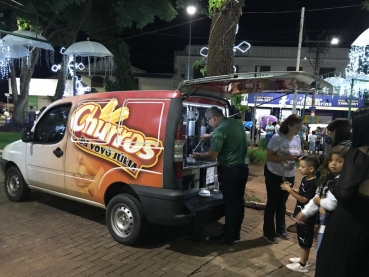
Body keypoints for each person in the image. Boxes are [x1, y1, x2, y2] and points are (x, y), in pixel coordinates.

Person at [315, 108, 369, 277]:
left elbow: (344, 191)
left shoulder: (358, 154)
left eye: (354, 127)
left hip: (350, 220)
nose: (351, 131)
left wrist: (333, 188)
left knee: (336, 265)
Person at [192, 107, 249, 245]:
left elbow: (212, 156)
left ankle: (228, 237)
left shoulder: (219, 130)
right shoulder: (236, 124)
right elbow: (228, 134)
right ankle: (235, 233)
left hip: (230, 171)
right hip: (243, 169)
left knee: (230, 205)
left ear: (214, 118)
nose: (208, 124)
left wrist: (196, 155)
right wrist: (209, 135)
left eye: (208, 121)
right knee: (239, 203)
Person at [295, 147, 348, 260]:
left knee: (324, 254)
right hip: (324, 221)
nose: (334, 164)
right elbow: (317, 196)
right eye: (332, 160)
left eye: (339, 161)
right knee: (321, 251)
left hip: (332, 224)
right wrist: (305, 212)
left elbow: (331, 204)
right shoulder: (327, 177)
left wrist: (319, 201)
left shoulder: (341, 182)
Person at [263, 114, 303, 243]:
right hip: (274, 173)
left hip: (289, 174)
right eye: (296, 127)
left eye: (300, 127)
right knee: (272, 202)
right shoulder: (277, 138)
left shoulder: (297, 138)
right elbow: (270, 157)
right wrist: (288, 157)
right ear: (289, 126)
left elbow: (297, 153)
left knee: (282, 203)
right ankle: (269, 232)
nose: (299, 130)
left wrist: (300, 158)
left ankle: (281, 229)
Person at [281, 155, 320, 273]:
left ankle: (303, 265)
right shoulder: (305, 179)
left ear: (311, 169)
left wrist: (289, 190)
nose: (299, 169)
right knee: (301, 237)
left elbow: (304, 199)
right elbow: (302, 191)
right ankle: (303, 259)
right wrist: (291, 188)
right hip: (301, 215)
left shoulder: (313, 183)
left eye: (302, 167)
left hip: (307, 217)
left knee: (305, 239)